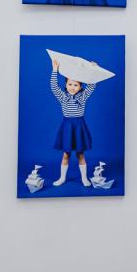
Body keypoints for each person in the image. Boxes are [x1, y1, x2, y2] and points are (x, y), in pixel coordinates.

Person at [49, 58, 98, 187]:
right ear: (66, 84)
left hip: (79, 126)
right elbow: (54, 87)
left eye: (76, 85)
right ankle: (62, 178)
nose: (72, 87)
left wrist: (92, 69)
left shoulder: (83, 96)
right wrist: (54, 70)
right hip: (67, 126)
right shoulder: (63, 96)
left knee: (80, 154)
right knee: (66, 154)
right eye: (70, 84)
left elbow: (92, 85)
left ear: (80, 86)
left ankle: (84, 178)